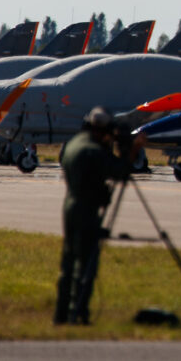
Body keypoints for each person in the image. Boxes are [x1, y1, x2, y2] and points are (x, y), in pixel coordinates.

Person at [54, 106, 143, 325]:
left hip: (70, 206)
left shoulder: (73, 145)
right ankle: (79, 312)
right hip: (86, 209)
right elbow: (120, 171)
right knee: (86, 264)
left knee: (68, 263)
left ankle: (61, 313)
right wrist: (131, 150)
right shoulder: (93, 151)